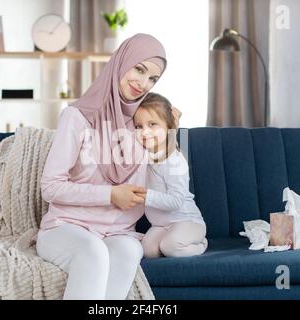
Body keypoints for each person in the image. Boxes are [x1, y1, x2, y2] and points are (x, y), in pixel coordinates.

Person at [36, 34, 178, 300]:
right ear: (121, 62)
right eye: (139, 69)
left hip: (119, 231)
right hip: (66, 227)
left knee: (128, 252)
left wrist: (170, 132)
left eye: (152, 79)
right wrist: (110, 194)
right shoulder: (77, 117)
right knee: (93, 253)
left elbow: (170, 182)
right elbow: (50, 187)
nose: (143, 83)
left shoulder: (143, 125)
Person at [133, 92, 208, 258]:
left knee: (170, 247)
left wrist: (146, 196)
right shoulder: (144, 154)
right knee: (149, 252)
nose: (144, 132)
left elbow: (176, 201)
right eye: (138, 126)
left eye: (152, 124)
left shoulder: (174, 159)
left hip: (187, 221)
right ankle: (171, 243)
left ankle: (201, 244)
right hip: (161, 225)